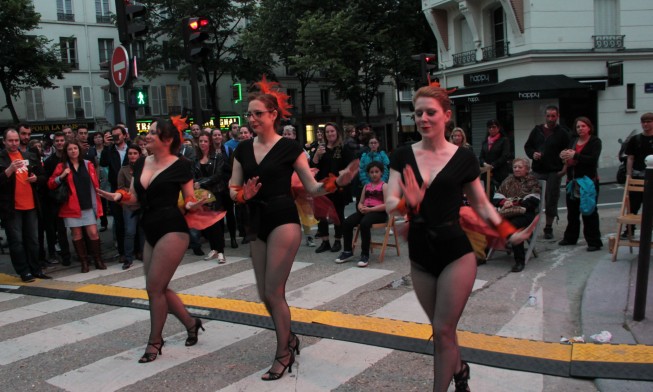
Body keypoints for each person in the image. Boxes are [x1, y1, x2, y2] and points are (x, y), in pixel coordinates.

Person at [385, 86, 534, 392]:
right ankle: (461, 369)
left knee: (442, 329)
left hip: (456, 251)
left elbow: (480, 204)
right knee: (443, 332)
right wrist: (406, 204)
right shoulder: (401, 155)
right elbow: (390, 201)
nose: (424, 118)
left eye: (431, 112)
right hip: (420, 254)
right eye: (419, 113)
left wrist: (508, 232)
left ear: (446, 116)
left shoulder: (464, 158)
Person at [229, 82, 357, 381]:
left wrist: (337, 181)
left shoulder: (289, 148)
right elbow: (233, 188)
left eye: (257, 114)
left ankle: (283, 354)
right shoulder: (242, 149)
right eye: (248, 115)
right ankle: (290, 338)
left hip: (283, 218)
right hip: (256, 219)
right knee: (264, 294)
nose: (251, 119)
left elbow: (312, 187)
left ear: (273, 115)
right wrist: (242, 195)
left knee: (274, 291)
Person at [97, 118, 206, 363]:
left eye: (153, 133)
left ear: (167, 140)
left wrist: (193, 204)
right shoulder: (141, 163)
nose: (148, 135)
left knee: (153, 288)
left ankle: (155, 341)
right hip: (150, 227)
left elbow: (188, 199)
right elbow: (134, 198)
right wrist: (116, 196)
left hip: (173, 228)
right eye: (149, 132)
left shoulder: (182, 165)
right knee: (159, 287)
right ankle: (191, 322)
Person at [0, 128, 52, 282]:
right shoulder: (1, 158)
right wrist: (9, 170)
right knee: (17, 241)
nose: (14, 143)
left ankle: (36, 269)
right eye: (10, 140)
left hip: (31, 205)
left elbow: (43, 177)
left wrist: (36, 178)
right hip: (11, 208)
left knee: (33, 240)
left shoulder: (29, 155)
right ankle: (24, 271)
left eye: (16, 140)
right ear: (4, 141)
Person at [48, 140, 107, 273]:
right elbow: (51, 183)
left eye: (75, 148)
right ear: (66, 152)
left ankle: (98, 259)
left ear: (79, 150)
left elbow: (95, 184)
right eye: (70, 149)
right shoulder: (62, 166)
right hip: (71, 206)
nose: (73, 151)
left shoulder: (88, 164)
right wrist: (62, 176)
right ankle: (84, 262)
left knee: (93, 232)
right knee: (76, 234)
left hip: (87, 204)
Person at [524, 105, 570, 239]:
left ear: (557, 116)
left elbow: (568, 152)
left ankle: (548, 227)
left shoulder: (562, 133)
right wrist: (533, 154)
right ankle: (530, 226)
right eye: (548, 116)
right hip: (538, 170)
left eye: (553, 116)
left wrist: (564, 169)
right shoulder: (536, 130)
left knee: (551, 200)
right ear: (545, 116)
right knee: (532, 199)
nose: (550, 119)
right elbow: (528, 146)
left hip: (553, 171)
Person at [558, 117, 603, 251]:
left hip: (588, 182)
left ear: (589, 127)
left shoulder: (595, 141)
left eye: (583, 126)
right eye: (578, 127)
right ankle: (570, 237)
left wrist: (575, 155)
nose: (580, 129)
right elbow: (568, 158)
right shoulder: (573, 141)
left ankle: (594, 242)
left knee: (589, 211)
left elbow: (592, 160)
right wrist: (564, 156)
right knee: (572, 212)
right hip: (572, 181)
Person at [311, 122, 355, 253]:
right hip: (322, 186)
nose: (330, 134)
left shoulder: (343, 148)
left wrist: (341, 180)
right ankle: (325, 241)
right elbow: (313, 167)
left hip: (337, 186)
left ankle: (337, 240)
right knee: (321, 213)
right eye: (327, 132)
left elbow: (350, 167)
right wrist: (317, 155)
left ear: (337, 133)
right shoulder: (321, 148)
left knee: (337, 214)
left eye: (332, 131)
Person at [335, 161, 388, 267]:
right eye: (371, 172)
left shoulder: (384, 186)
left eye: (376, 172)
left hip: (379, 213)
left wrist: (371, 210)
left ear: (381, 173)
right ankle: (347, 251)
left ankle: (365, 255)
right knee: (347, 222)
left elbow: (387, 205)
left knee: (364, 223)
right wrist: (360, 207)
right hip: (366, 211)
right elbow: (360, 201)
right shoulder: (366, 186)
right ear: (368, 174)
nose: (374, 174)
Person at [493, 158, 541, 272]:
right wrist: (505, 202)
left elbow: (533, 201)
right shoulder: (508, 180)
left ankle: (519, 261)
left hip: (525, 213)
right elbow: (496, 197)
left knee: (513, 226)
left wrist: (514, 202)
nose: (517, 169)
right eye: (515, 167)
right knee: (488, 221)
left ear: (527, 169)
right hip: (508, 211)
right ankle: (482, 256)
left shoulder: (532, 181)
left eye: (520, 167)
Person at [192, 131, 228, 263]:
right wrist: (196, 183)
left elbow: (217, 176)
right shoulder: (195, 159)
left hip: (216, 193)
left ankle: (221, 252)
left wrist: (200, 182)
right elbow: (193, 176)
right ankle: (213, 249)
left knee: (216, 223)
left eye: (205, 141)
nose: (203, 143)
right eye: (200, 141)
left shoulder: (217, 157)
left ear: (210, 143)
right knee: (207, 223)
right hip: (202, 195)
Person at [282, 125, 316, 247]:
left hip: (299, 185)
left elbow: (307, 164)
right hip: (285, 186)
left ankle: (309, 237)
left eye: (289, 134)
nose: (286, 136)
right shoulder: (279, 149)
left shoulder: (299, 149)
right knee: (288, 213)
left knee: (305, 212)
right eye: (284, 134)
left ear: (294, 136)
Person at [101, 125, 129, 262]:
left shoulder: (131, 149)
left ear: (124, 135)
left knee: (133, 220)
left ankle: (135, 249)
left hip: (130, 189)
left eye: (118, 135)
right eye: (114, 135)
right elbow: (103, 162)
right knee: (119, 221)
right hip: (115, 189)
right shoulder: (110, 150)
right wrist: (106, 146)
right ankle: (122, 251)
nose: (116, 138)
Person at [43, 132, 73, 265]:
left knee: (76, 228)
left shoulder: (72, 158)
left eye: (62, 140)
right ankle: (65, 256)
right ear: (54, 143)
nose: (60, 143)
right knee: (60, 229)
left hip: (72, 197)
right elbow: (48, 182)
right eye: (57, 141)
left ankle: (82, 253)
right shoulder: (49, 161)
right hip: (56, 199)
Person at [622, 112, 653, 238]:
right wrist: (628, 176)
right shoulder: (635, 139)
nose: (645, 124)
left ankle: (649, 229)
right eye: (643, 122)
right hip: (637, 176)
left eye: (648, 121)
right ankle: (629, 229)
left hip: (652, 179)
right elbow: (630, 158)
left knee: (650, 206)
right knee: (633, 206)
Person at [117, 145, 145, 269]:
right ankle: (128, 258)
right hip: (129, 205)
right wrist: (133, 191)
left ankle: (145, 254)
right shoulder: (123, 170)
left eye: (135, 153)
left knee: (143, 231)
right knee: (130, 231)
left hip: (143, 203)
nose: (132, 156)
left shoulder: (145, 169)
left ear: (139, 155)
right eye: (130, 153)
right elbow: (120, 187)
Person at [211, 128, 237, 248]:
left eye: (218, 135)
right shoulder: (209, 151)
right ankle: (220, 238)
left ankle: (232, 238)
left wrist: (221, 159)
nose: (217, 137)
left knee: (230, 213)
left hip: (226, 186)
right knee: (218, 214)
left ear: (222, 137)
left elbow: (233, 168)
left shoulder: (227, 150)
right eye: (214, 135)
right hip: (216, 188)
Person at [479, 119, 511, 192]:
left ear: (498, 128)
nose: (491, 129)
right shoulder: (485, 142)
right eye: (489, 127)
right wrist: (484, 164)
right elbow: (481, 157)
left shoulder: (504, 140)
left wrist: (493, 165)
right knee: (487, 193)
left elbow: (505, 156)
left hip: (500, 173)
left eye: (494, 127)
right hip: (487, 173)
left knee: (500, 194)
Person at [90, 131, 110, 231]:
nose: (98, 139)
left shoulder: (108, 149)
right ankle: (103, 222)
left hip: (107, 175)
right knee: (101, 200)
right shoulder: (92, 150)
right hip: (97, 176)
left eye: (99, 137)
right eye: (95, 137)